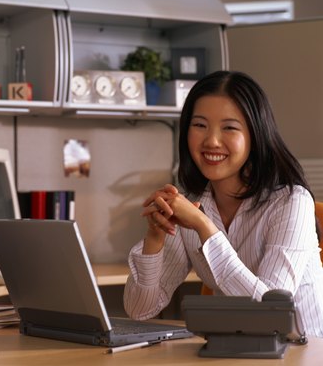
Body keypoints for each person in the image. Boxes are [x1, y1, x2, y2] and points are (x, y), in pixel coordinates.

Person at [123, 70, 323, 337]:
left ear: (255, 135)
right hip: (237, 353)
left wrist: (204, 227)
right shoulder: (193, 205)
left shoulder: (291, 202)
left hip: (305, 354)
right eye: (200, 125)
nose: (212, 141)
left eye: (229, 127)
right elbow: (139, 310)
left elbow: (271, 313)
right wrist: (154, 239)